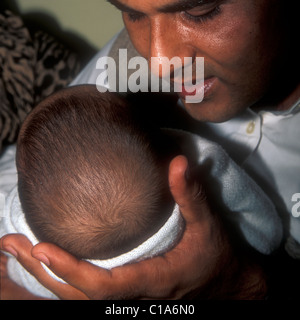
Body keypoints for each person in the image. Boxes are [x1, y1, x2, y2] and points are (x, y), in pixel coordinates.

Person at [1, 0, 300, 300]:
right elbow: (21, 173)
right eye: (133, 13)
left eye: (201, 12)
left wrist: (239, 284)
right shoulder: (130, 60)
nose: (157, 62)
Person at [1, 84, 282, 299]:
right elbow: (248, 205)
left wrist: (14, 273)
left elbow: (27, 270)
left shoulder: (27, 230)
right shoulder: (197, 160)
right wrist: (265, 237)